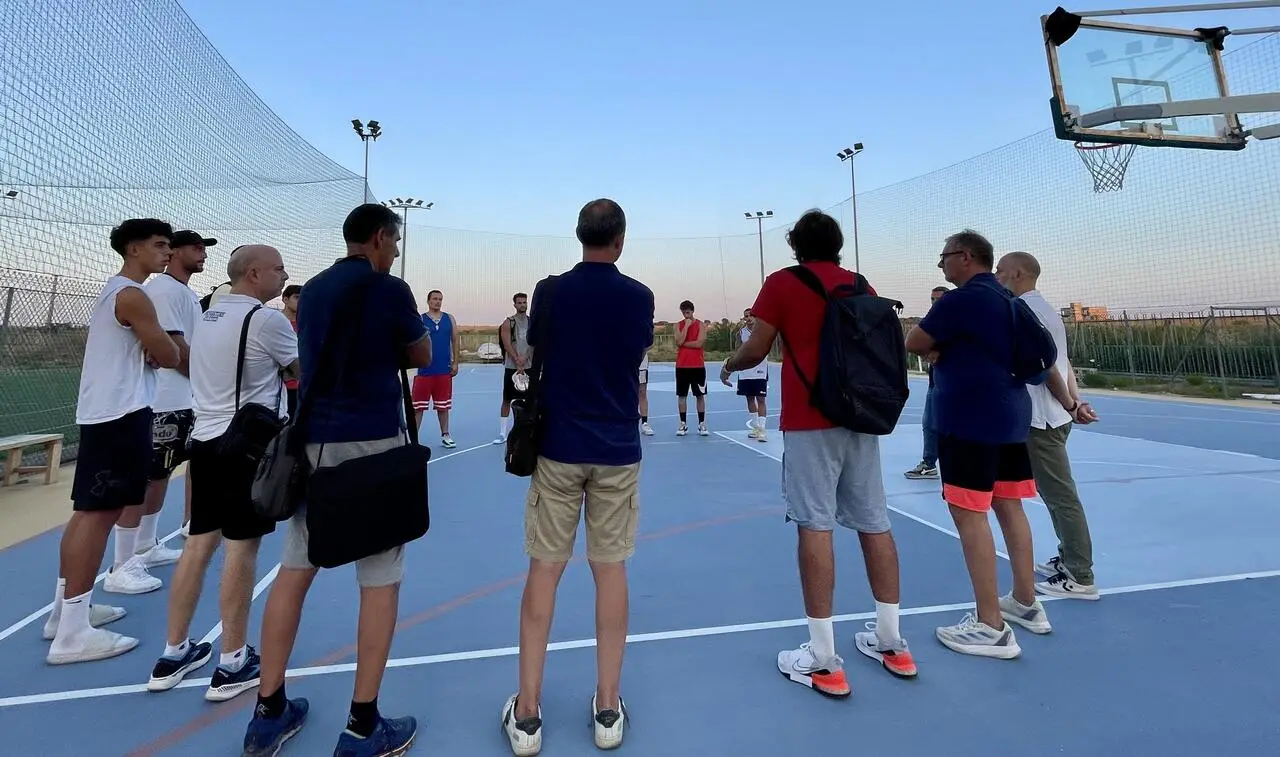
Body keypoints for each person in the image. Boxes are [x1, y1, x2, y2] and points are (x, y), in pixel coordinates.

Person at [242, 204, 431, 757]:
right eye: (394, 241)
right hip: (373, 443)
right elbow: (420, 353)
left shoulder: (314, 291)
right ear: (379, 238)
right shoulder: (389, 289)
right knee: (380, 578)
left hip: (315, 444)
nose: (395, 251)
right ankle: (362, 724)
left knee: (295, 570)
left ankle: (268, 710)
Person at [721, 209, 915, 697]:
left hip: (811, 419)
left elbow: (757, 348)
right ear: (838, 244)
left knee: (814, 524)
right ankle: (892, 642)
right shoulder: (860, 284)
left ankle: (824, 659)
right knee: (874, 522)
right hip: (860, 414)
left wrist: (729, 364)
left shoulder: (782, 282)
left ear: (795, 245)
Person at [501, 198, 654, 756]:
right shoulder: (638, 296)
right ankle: (607, 706)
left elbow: (537, 343)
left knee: (544, 571)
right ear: (620, 239)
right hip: (616, 448)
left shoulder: (551, 292)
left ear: (579, 234)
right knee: (610, 571)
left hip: (559, 448)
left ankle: (528, 713)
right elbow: (636, 349)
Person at [905, 229, 1080, 659]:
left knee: (969, 515)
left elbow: (914, 342)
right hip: (1012, 416)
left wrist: (940, 348)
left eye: (945, 256)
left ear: (965, 257)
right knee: (1009, 506)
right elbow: (1041, 364)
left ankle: (990, 626)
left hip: (970, 419)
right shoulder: (1011, 302)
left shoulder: (960, 300)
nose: (942, 264)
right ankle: (1025, 601)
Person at [146, 244, 297, 703]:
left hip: (206, 439)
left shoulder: (206, 314)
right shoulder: (265, 320)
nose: (284, 275)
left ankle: (173, 652)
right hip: (246, 445)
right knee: (241, 547)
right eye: (277, 269)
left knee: (198, 543)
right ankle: (232, 662)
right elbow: (301, 369)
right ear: (254, 274)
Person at [44, 218, 181, 665]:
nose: (166, 252)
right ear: (134, 249)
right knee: (99, 514)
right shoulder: (133, 294)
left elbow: (156, 351)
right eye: (159, 245)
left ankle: (65, 615)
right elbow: (170, 354)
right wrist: (159, 349)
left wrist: (155, 349)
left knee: (88, 513)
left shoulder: (115, 292)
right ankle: (72, 635)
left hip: (106, 412)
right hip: (121, 413)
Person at [994, 251, 1100, 600]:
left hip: (1042, 419)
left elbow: (1049, 368)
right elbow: (1062, 362)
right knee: (1054, 494)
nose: (996, 276)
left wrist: (1071, 403)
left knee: (1060, 495)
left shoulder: (1025, 310)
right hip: (1052, 414)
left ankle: (1081, 575)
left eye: (1000, 270)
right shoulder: (1044, 310)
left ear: (1017, 274)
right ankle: (1069, 558)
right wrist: (1075, 403)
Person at [905, 286, 948, 479]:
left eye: (939, 299)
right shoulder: (931, 321)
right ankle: (929, 464)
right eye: (932, 299)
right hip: (934, 382)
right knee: (929, 423)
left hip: (950, 383)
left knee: (947, 425)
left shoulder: (955, 321)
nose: (935, 303)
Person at [412, 289, 460, 448]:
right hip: (424, 371)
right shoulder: (420, 319)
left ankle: (446, 435)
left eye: (440, 299)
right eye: (434, 299)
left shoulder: (449, 318)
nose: (437, 302)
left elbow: (455, 341)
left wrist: (455, 362)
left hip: (443, 370)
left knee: (443, 406)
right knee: (418, 408)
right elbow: (414, 341)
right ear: (428, 301)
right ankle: (413, 439)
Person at [496, 291, 534, 444]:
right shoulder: (508, 322)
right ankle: (502, 433)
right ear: (515, 304)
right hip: (512, 367)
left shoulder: (532, 322)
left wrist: (525, 358)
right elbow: (507, 344)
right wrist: (518, 360)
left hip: (529, 366)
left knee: (531, 399)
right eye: (519, 303)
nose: (522, 305)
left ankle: (530, 430)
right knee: (507, 399)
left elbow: (534, 343)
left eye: (524, 302)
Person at [734, 308, 769, 441]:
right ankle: (755, 427)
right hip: (745, 371)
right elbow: (737, 351)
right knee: (749, 399)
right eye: (746, 316)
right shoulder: (740, 333)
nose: (748, 318)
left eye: (750, 316)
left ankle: (762, 430)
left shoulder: (763, 332)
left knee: (761, 399)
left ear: (755, 317)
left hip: (760, 371)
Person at [673, 300, 708, 436]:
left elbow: (699, 343)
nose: (686, 313)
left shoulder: (701, 325)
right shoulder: (678, 325)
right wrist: (686, 326)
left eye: (688, 311)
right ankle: (683, 424)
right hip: (682, 366)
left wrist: (683, 344)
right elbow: (678, 341)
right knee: (682, 395)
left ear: (692, 311)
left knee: (700, 395)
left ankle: (702, 424)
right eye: (684, 311)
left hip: (697, 366)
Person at [280, 283, 303, 417]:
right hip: (281, 387)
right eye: (297, 297)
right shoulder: (275, 323)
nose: (300, 301)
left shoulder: (305, 323)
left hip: (301, 387)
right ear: (285, 299)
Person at [638, 348, 653, 436]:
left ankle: (644, 423)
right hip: (626, 360)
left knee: (642, 392)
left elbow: (650, 344)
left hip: (641, 362)